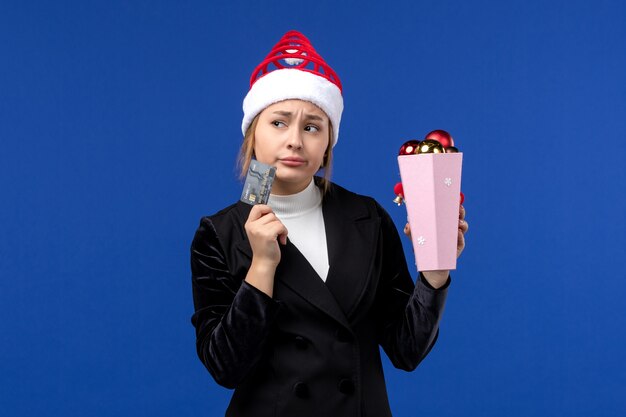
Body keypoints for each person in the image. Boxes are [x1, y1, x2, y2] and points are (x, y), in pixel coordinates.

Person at [190, 30, 469, 417]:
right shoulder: (219, 233)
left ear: (327, 144)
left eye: (312, 127)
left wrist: (434, 276)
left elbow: (406, 351)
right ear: (253, 136)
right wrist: (262, 266)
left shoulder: (367, 218)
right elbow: (225, 367)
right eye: (279, 122)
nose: (295, 141)